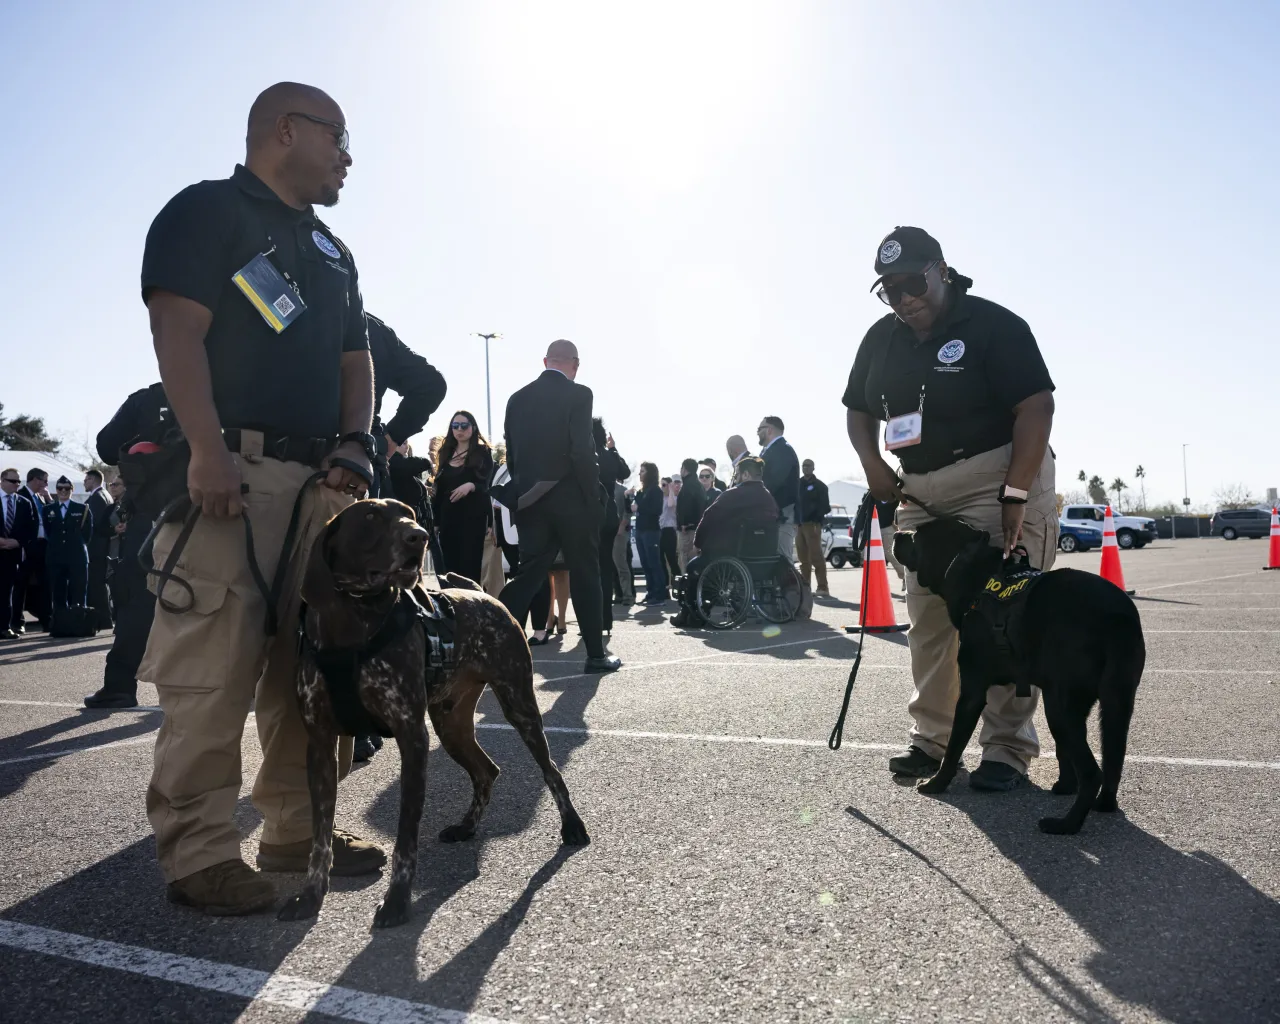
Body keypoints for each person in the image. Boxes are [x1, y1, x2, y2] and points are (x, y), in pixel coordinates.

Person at [136, 81, 383, 915]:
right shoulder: (208, 212)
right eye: (339, 138)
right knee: (215, 668)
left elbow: (359, 361)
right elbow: (178, 329)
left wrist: (356, 442)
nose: (350, 157)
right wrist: (205, 449)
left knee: (307, 669)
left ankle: (293, 832)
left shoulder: (334, 251)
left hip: (320, 487)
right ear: (287, 130)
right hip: (230, 477)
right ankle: (200, 853)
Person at [844, 225, 1058, 792]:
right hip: (919, 488)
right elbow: (858, 412)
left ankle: (1006, 749)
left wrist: (1015, 493)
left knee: (1004, 616)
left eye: (913, 282)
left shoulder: (994, 325)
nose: (904, 297)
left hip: (994, 477)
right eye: (889, 290)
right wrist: (873, 468)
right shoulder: (881, 338)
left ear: (941, 269)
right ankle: (934, 740)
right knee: (930, 619)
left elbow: (1036, 407)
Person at [498, 340, 621, 673]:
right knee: (585, 572)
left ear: (545, 361)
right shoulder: (579, 394)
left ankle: (487, 646)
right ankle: (596, 655)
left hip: (530, 502)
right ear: (575, 365)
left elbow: (512, 454)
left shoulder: (516, 399)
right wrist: (593, 497)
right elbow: (582, 451)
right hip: (572, 501)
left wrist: (526, 494)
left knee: (527, 576)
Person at [88, 382, 170, 708]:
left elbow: (107, 446)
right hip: (213, 508)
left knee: (135, 600)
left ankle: (120, 684)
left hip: (151, 514)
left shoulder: (148, 399)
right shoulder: (227, 387)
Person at [671, 457, 778, 628]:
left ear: (746, 474)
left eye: (737, 473)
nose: (735, 477)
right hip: (764, 558)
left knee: (693, 567)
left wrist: (697, 544)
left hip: (732, 553)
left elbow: (708, 517)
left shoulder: (734, 494)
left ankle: (691, 613)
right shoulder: (768, 497)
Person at [366, 313, 447, 500]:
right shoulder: (371, 327)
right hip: (356, 462)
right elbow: (432, 385)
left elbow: (431, 385)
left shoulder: (369, 328)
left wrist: (389, 439)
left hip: (350, 464)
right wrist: (389, 439)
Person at [431, 410, 494, 585]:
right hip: (448, 518)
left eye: (464, 425)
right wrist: (435, 522)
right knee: (449, 569)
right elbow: (440, 487)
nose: (459, 429)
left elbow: (487, 487)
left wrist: (471, 485)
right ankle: (453, 608)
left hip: (472, 518)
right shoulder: (446, 452)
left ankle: (470, 608)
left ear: (473, 428)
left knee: (470, 567)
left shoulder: (483, 452)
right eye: (455, 426)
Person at [594, 418, 629, 635]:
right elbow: (624, 473)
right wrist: (613, 449)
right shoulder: (607, 456)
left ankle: (594, 620)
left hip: (589, 517)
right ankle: (605, 621)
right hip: (609, 516)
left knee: (590, 571)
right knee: (605, 569)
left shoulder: (585, 455)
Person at [43, 477, 93, 612]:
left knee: (79, 591)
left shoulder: (83, 508)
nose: (63, 491)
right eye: (60, 488)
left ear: (72, 490)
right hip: (56, 556)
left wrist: (75, 545)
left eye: (67, 488)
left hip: (77, 556)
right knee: (58, 592)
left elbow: (87, 535)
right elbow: (48, 532)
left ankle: (79, 623)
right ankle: (60, 624)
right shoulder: (48, 509)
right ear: (56, 490)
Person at [1, 468, 39, 640]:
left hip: (12, 555)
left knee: (7, 592)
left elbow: (31, 528)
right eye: (13, 481)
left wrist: (18, 542)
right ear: (2, 481)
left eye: (18, 481)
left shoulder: (24, 503)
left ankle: (4, 627)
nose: (17, 484)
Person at [758, 416, 800, 561]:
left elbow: (773, 482)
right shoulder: (769, 451)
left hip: (781, 515)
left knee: (783, 560)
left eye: (759, 429)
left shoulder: (782, 450)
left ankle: (793, 585)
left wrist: (756, 495)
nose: (757, 432)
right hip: (772, 515)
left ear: (769, 430)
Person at [15, 469, 51, 632]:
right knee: (21, 585)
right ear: (35, 480)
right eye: (44, 481)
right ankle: (17, 621)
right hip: (27, 547)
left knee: (44, 585)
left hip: (42, 547)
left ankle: (46, 619)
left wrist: (48, 498)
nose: (46, 485)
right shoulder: (21, 495)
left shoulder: (40, 497)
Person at [83, 469, 116, 629]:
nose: (84, 482)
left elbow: (92, 525)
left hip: (96, 548)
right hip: (103, 547)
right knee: (100, 584)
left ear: (92, 479)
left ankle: (103, 619)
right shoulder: (106, 495)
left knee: (96, 584)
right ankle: (104, 619)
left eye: (86, 479)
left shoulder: (96, 498)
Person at [631, 462, 666, 604]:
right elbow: (634, 506)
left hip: (651, 531)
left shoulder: (655, 491)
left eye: (643, 471)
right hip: (640, 530)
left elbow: (657, 510)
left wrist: (640, 507)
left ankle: (659, 594)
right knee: (645, 563)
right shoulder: (641, 492)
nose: (640, 474)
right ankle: (650, 592)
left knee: (654, 563)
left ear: (650, 473)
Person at [796, 459, 832, 596]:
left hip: (813, 525)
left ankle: (822, 587)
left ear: (813, 468)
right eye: (804, 466)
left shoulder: (820, 486)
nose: (805, 468)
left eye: (808, 466)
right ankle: (805, 587)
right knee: (803, 558)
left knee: (816, 556)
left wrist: (816, 516)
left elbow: (825, 506)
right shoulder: (797, 484)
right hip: (799, 524)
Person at [675, 458, 708, 573]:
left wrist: (684, 523)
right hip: (697, 527)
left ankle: (687, 586)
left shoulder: (687, 486)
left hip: (688, 530)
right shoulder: (699, 486)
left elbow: (686, 506)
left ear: (684, 469)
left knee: (685, 558)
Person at [611, 480, 634, 605]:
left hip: (619, 532)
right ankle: (618, 594)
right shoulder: (598, 486)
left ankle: (628, 595)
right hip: (605, 531)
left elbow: (628, 511)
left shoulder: (621, 490)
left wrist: (622, 525)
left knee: (621, 565)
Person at [658, 476, 680, 590]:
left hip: (670, 530)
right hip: (660, 530)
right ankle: (665, 585)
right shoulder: (659, 498)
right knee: (660, 559)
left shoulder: (673, 498)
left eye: (664, 485)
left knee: (671, 559)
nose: (662, 487)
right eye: (661, 485)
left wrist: (671, 490)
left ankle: (678, 585)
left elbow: (671, 505)